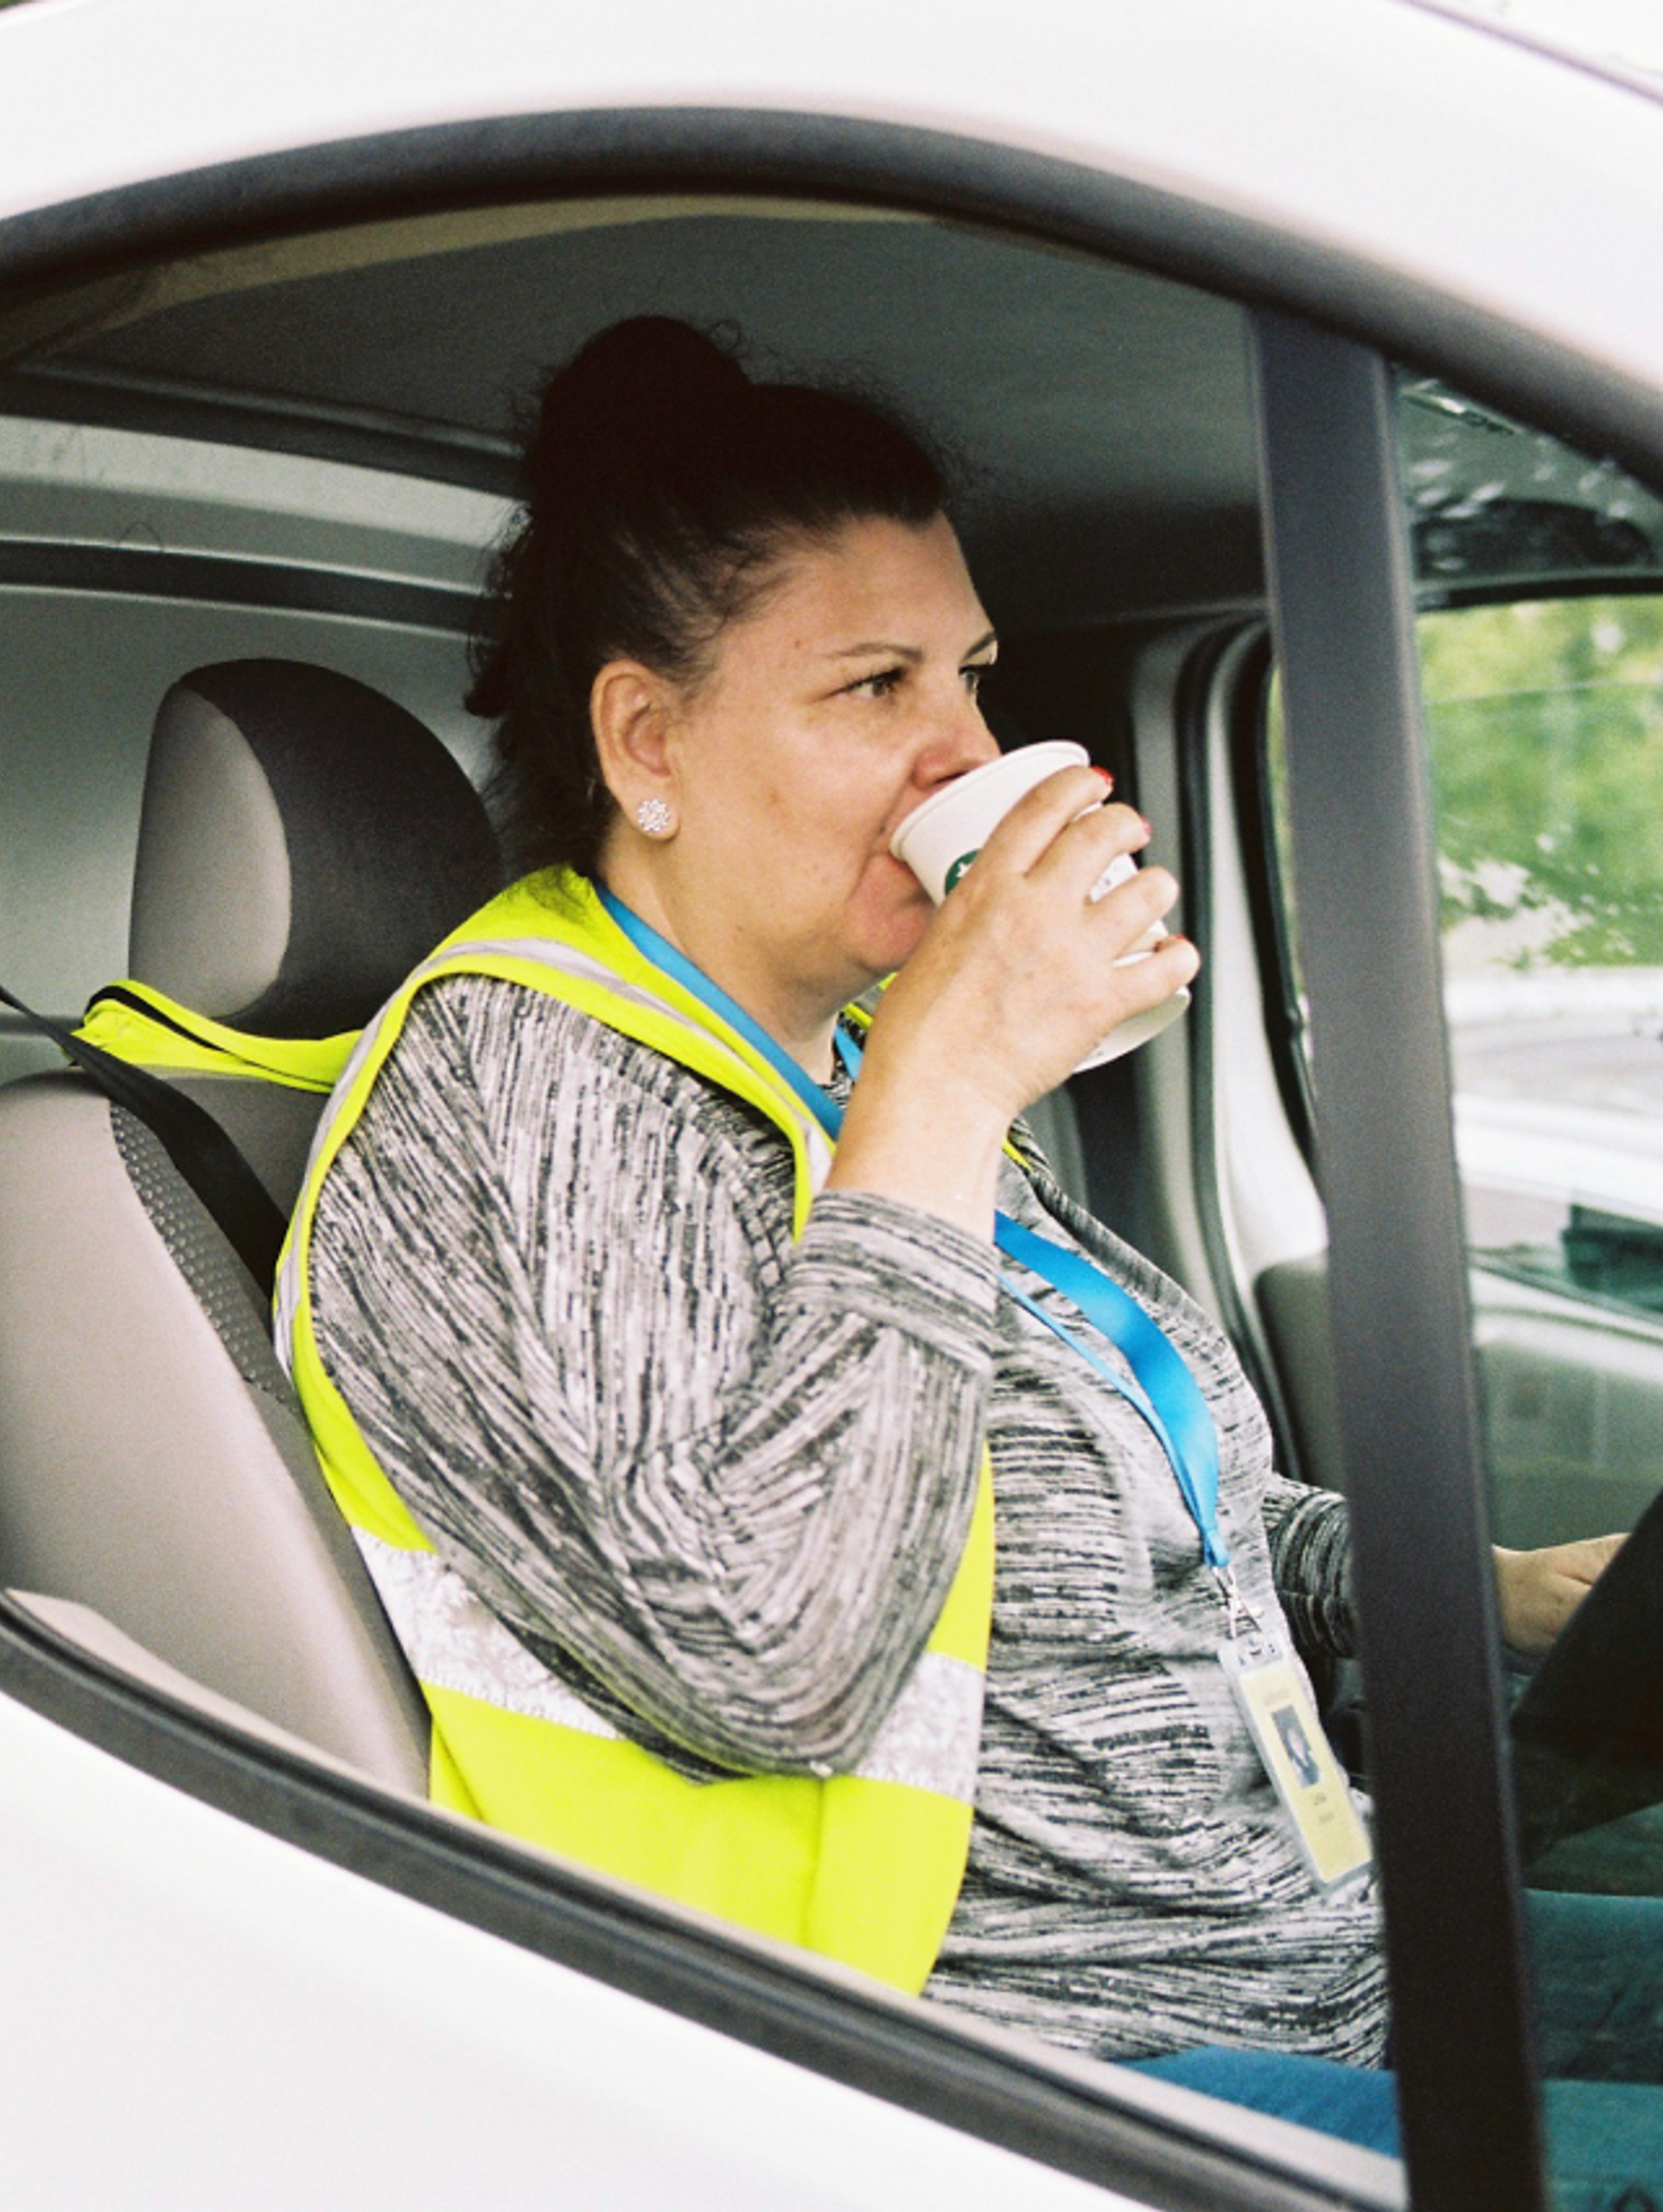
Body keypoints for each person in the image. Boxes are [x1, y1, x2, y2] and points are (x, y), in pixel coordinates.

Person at [272, 315, 1639, 2166]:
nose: (970, 753)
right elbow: (775, 1660)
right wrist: (948, 1079)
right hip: (995, 2070)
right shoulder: (529, 1089)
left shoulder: (835, 1046)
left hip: (1314, 1939)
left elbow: (1148, 1513)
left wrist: (1490, 1583)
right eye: (872, 689)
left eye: (975, 680)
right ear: (645, 738)